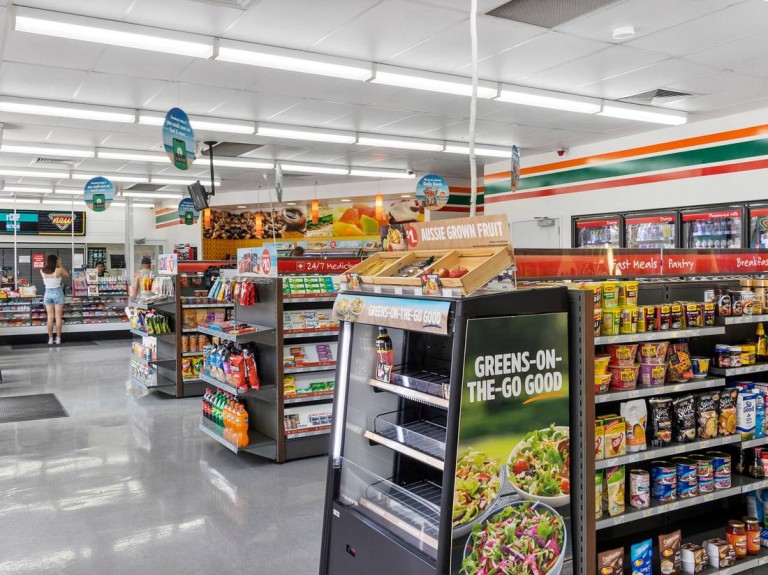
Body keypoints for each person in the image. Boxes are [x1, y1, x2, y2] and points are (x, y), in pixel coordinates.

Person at [41, 255, 69, 345]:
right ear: (56, 261)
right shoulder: (59, 270)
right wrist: (60, 265)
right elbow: (67, 275)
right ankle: (58, 339)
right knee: (58, 317)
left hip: (47, 293)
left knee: (50, 317)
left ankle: (50, 339)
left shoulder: (42, 270)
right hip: (57, 293)